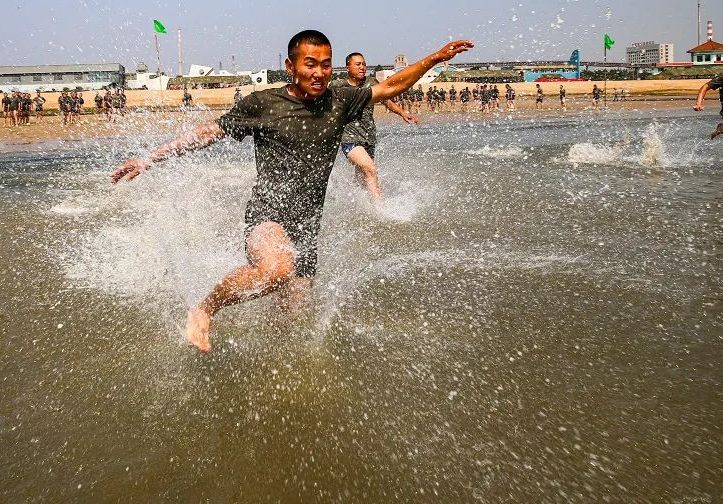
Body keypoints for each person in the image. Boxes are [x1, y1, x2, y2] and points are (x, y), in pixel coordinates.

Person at [110, 30, 472, 353]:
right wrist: (149, 159)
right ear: (290, 66)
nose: (319, 73)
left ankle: (257, 366)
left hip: (307, 226)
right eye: (310, 64)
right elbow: (209, 133)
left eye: (326, 65)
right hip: (267, 215)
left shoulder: (340, 101)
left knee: (288, 324)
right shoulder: (262, 104)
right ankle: (205, 308)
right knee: (277, 268)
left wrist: (435, 58)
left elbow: (391, 87)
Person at [334, 52, 419, 200]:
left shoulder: (371, 83)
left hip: (369, 137)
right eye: (358, 64)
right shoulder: (338, 86)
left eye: (364, 64)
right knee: (371, 169)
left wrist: (403, 113)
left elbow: (387, 101)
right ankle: (379, 207)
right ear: (348, 67)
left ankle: (353, 201)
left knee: (362, 177)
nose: (362, 67)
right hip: (349, 138)